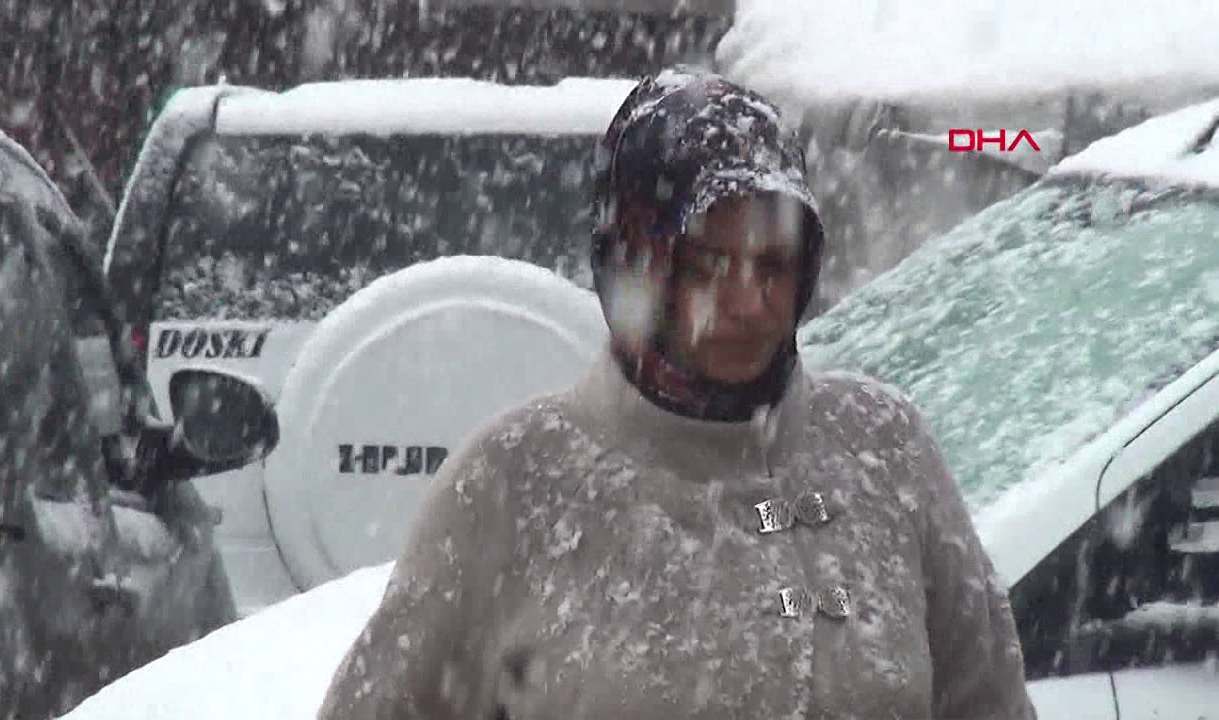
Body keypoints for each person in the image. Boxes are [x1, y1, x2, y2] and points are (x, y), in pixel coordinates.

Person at [318, 66, 1037, 720]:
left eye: (775, 265)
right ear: (633, 259)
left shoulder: (883, 447)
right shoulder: (516, 482)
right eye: (707, 266)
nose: (750, 304)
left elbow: (988, 705)